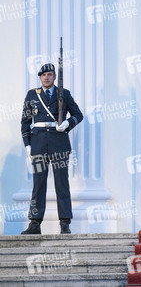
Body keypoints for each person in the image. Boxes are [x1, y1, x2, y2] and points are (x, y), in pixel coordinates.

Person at [21, 63, 83, 234]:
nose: (46, 77)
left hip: (59, 144)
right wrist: (28, 145)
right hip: (39, 144)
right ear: (40, 77)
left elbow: (79, 115)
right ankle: (35, 223)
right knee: (38, 185)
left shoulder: (64, 94)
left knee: (61, 184)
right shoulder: (32, 95)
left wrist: (68, 123)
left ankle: (65, 222)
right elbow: (25, 122)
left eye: (50, 74)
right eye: (43, 75)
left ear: (55, 76)